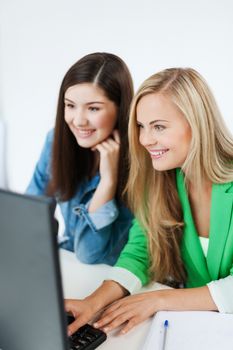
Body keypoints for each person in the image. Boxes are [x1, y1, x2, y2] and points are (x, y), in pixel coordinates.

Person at [65, 67, 233, 336]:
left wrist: (158, 300)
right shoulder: (161, 179)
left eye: (159, 127)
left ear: (198, 124)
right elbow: (140, 252)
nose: (144, 139)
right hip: (195, 328)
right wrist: (92, 302)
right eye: (142, 126)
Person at [26, 52, 134, 265]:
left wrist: (108, 182)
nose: (78, 120)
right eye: (70, 105)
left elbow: (90, 254)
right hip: (68, 263)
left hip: (113, 275)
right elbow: (29, 213)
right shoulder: (56, 140)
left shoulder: (140, 160)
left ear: (120, 108)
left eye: (93, 108)